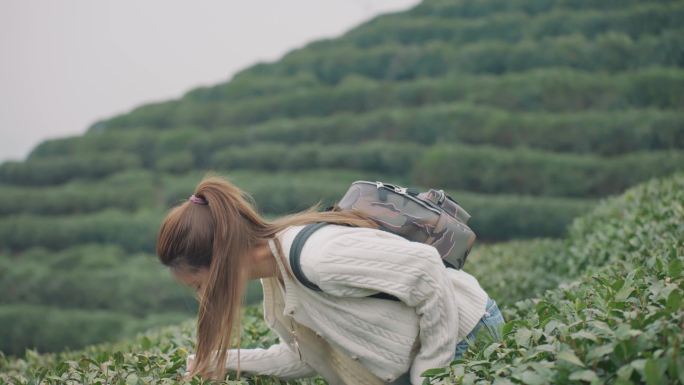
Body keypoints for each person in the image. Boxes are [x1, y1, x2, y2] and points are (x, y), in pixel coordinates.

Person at [156, 173, 505, 385]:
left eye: (199, 284)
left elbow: (427, 269)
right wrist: (220, 361)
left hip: (466, 335)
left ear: (220, 260)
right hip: (434, 343)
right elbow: (304, 357)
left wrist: (430, 373)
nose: (204, 295)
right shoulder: (276, 277)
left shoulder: (316, 257)